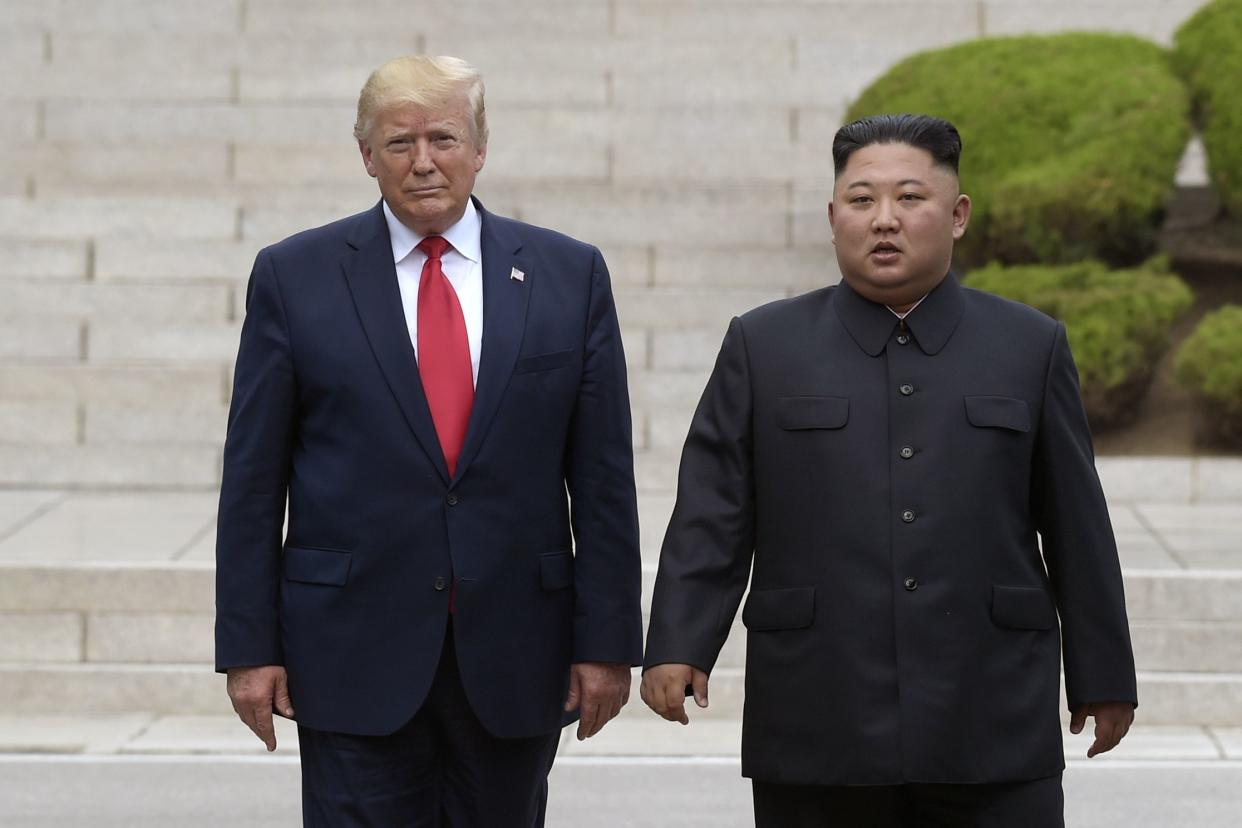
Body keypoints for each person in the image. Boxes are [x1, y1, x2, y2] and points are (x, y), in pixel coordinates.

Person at [640, 114, 1136, 827]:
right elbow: (713, 511)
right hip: (819, 710)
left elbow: (1076, 525)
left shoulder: (1029, 345)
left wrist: (1104, 675)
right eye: (862, 199)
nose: (884, 220)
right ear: (832, 214)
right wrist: (680, 643)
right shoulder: (764, 344)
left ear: (957, 215)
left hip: (990, 710)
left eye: (910, 198)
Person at [215, 55, 642, 827]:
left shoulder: (566, 274)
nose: (422, 162)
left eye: (443, 138)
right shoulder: (294, 275)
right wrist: (249, 647)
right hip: (349, 646)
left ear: (480, 147)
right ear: (365, 154)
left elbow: (604, 476)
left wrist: (608, 641)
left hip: (515, 647)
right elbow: (253, 479)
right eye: (398, 142)